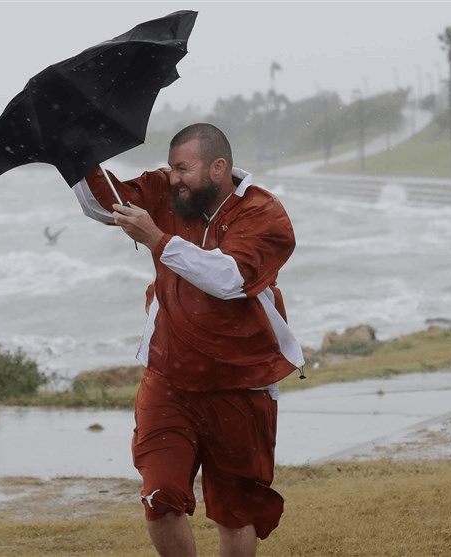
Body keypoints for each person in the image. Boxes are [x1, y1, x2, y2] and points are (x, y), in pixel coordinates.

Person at [73, 123, 304, 557]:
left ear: (219, 167)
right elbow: (106, 206)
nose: (173, 177)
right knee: (159, 498)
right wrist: (75, 154)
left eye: (184, 168)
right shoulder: (166, 191)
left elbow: (231, 278)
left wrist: (158, 240)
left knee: (235, 512)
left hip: (241, 384)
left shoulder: (264, 213)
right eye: (172, 167)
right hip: (169, 377)